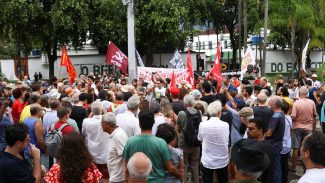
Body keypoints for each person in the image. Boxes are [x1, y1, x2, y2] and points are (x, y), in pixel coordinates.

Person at [123, 110, 182, 182]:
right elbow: (170, 168)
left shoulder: (130, 142)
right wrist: (180, 175)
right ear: (153, 123)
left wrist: (127, 180)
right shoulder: (161, 143)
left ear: (139, 124)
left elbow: (126, 167)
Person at [198, 100, 229, 183]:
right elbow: (226, 140)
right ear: (219, 112)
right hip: (222, 160)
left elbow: (200, 138)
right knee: (223, 180)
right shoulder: (225, 125)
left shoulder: (202, 125)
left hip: (207, 160)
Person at [290, 86, 317, 172]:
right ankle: (307, 168)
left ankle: (293, 167)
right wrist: (313, 128)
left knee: (296, 147)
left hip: (297, 127)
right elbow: (315, 115)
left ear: (299, 93)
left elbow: (293, 117)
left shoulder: (296, 103)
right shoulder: (311, 102)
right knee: (307, 148)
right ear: (307, 93)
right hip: (308, 127)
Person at [82, 101, 109, 182]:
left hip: (91, 151)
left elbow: (83, 133)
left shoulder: (86, 121)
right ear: (102, 110)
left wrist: (91, 114)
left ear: (92, 111)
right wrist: (105, 113)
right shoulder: (107, 121)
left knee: (93, 176)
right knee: (105, 176)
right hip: (105, 152)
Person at [176, 94, 201, 183]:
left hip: (184, 143)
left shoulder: (182, 113)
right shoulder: (199, 113)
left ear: (185, 102)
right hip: (196, 142)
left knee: (184, 166)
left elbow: (178, 127)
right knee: (195, 165)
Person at [101, 112, 128, 183]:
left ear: (106, 124)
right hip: (115, 175)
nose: (101, 125)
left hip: (118, 178)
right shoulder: (114, 134)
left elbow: (125, 156)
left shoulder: (118, 136)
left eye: (102, 123)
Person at [247, 118, 274, 183]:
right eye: (248, 128)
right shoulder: (267, 144)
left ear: (260, 131)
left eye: (251, 129)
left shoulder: (257, 148)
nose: (248, 131)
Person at [265, 96, 285, 183]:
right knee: (277, 167)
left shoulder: (275, 116)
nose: (269, 104)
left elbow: (269, 133)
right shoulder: (281, 113)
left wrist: (261, 136)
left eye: (270, 102)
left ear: (275, 104)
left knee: (275, 168)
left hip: (273, 145)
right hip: (278, 144)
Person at [23, 104, 48, 168]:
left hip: (28, 151)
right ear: (38, 112)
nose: (43, 111)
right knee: (42, 172)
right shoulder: (38, 123)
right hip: (38, 153)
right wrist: (46, 151)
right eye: (42, 110)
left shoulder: (26, 120)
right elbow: (40, 140)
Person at [281, 100, 292, 183]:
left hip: (282, 145)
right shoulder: (289, 118)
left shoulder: (281, 119)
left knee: (279, 165)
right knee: (285, 165)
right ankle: (285, 179)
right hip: (287, 145)